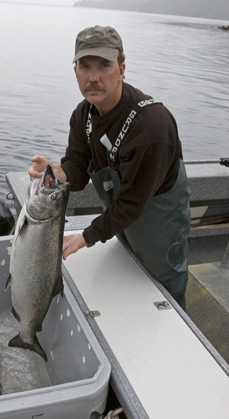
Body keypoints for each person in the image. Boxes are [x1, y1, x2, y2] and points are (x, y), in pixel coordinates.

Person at [28, 25, 191, 310]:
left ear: (121, 69)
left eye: (104, 65)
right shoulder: (83, 115)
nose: (94, 77)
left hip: (160, 233)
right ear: (75, 70)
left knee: (167, 307)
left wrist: (85, 237)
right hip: (124, 229)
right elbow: (76, 169)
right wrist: (55, 173)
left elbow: (130, 204)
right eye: (85, 66)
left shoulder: (151, 126)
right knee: (131, 293)